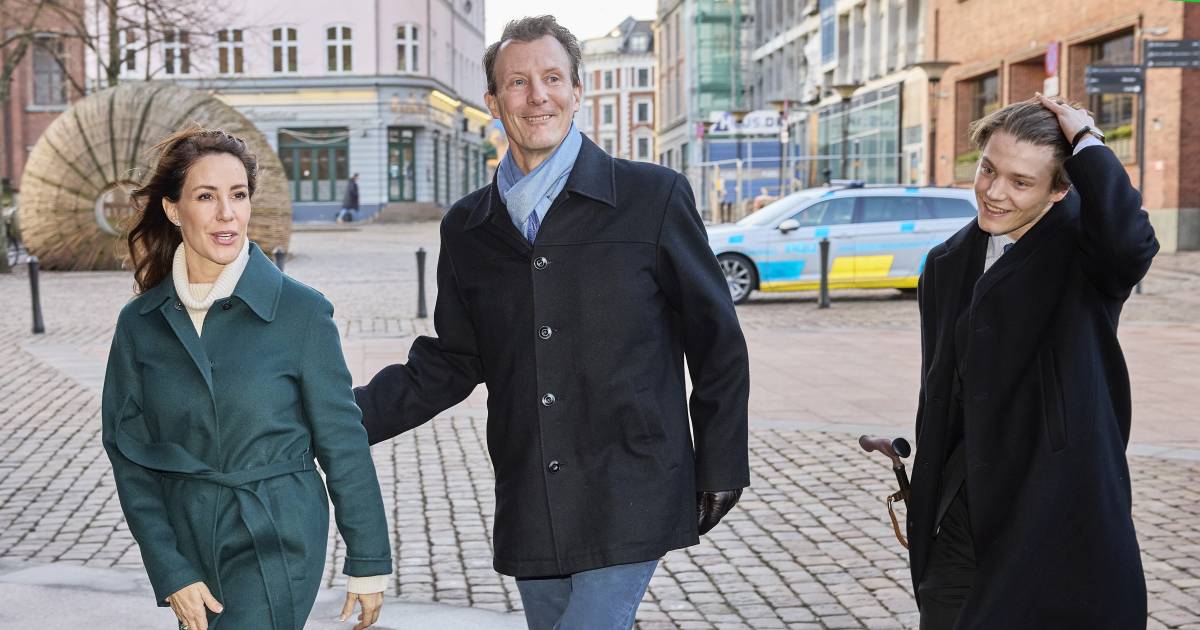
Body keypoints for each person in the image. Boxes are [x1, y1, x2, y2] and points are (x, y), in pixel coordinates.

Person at [353, 15, 750, 630]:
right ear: (493, 101)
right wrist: (340, 421)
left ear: (576, 91)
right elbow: (454, 359)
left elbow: (716, 341)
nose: (537, 95)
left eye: (552, 77)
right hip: (533, 487)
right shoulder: (468, 227)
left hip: (631, 482)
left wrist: (721, 463)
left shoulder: (653, 197)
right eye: (518, 82)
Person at [102, 128, 392, 630]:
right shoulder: (141, 324)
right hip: (188, 533)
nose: (226, 214)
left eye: (238, 195)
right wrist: (170, 567)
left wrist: (368, 560)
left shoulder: (301, 312)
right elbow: (129, 456)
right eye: (206, 197)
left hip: (276, 532)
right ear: (173, 210)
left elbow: (342, 440)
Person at [907, 95, 1157, 629]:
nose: (994, 193)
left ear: (1060, 190)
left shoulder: (1087, 256)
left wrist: (1088, 143)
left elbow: (1132, 243)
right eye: (988, 169)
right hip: (961, 509)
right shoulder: (948, 262)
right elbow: (942, 385)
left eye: (1021, 182)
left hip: (1053, 506)